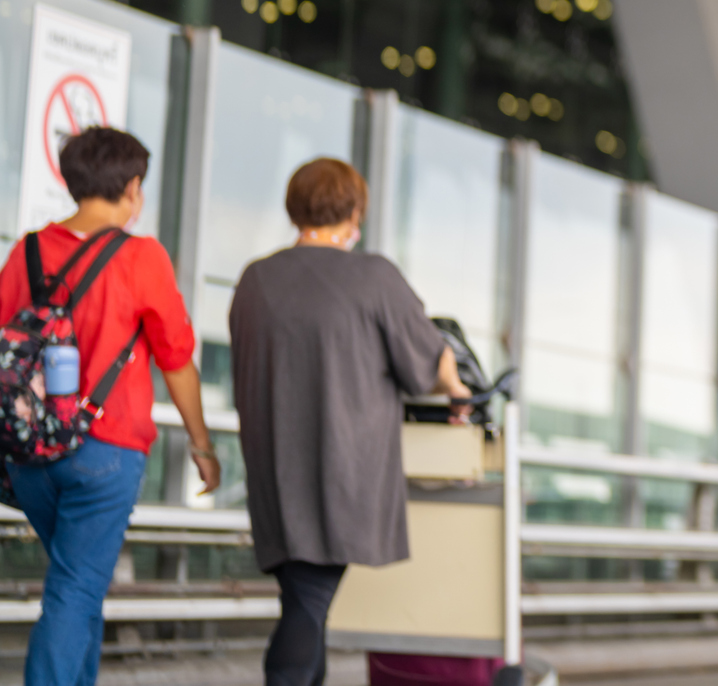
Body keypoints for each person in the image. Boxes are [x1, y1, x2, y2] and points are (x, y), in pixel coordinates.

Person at [230, 158, 473, 686]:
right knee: (309, 600)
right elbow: (427, 365)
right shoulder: (373, 276)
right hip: (343, 469)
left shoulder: (255, 280)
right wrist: (456, 388)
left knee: (304, 596)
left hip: (273, 465)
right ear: (354, 210)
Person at [0, 126, 220, 686]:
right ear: (132, 187)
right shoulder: (141, 257)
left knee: (81, 585)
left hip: (27, 458)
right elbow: (177, 360)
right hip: (105, 452)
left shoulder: (25, 252)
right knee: (75, 589)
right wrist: (201, 444)